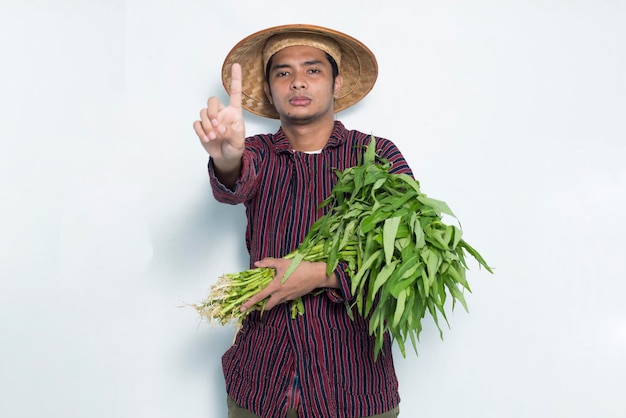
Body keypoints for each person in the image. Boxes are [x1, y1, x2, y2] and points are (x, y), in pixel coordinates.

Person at [193, 24, 413, 418]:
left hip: (353, 386)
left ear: (336, 82)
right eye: (283, 72)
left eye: (313, 70)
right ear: (270, 86)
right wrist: (226, 157)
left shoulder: (376, 155)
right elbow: (234, 182)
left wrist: (319, 274)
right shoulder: (257, 152)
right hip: (261, 382)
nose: (297, 82)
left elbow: (408, 255)